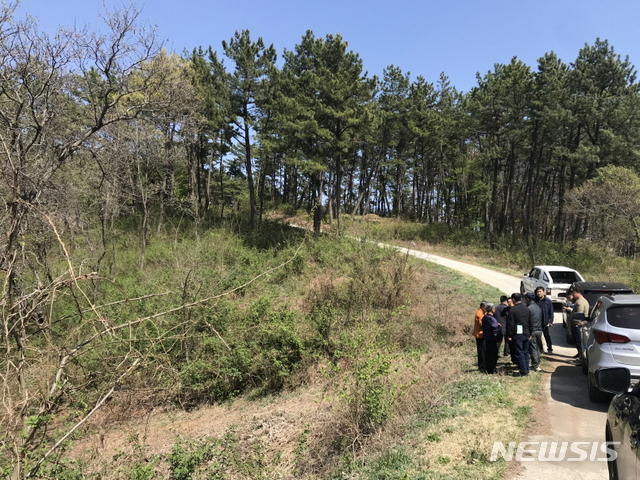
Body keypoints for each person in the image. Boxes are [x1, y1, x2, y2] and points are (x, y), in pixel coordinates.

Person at [506, 293, 534, 376]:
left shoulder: (512, 310)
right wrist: (530, 333)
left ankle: (523, 370)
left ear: (514, 300)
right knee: (525, 352)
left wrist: (509, 335)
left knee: (519, 352)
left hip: (517, 334)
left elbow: (510, 324)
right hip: (526, 333)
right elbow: (530, 322)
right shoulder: (527, 309)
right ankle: (526, 368)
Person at [563, 286, 589, 358]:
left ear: (578, 293)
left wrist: (576, 323)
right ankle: (579, 354)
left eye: (574, 293)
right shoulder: (578, 301)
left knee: (579, 341)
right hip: (578, 325)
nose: (573, 294)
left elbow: (578, 315)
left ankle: (581, 357)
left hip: (578, 325)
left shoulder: (580, 302)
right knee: (577, 341)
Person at [524, 292, 543, 372]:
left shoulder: (529, 308)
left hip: (533, 330)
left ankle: (535, 365)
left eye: (525, 298)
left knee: (533, 348)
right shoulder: (538, 307)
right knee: (537, 347)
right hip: (539, 329)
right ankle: (537, 363)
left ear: (528, 299)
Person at [482, 303, 502, 374]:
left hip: (486, 338)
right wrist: (497, 339)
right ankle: (492, 369)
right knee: (493, 355)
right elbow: (494, 330)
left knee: (487, 354)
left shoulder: (485, 317)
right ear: (492, 309)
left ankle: (487, 368)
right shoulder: (492, 319)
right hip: (492, 339)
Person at [535, 286, 554, 353]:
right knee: (538, 336)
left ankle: (550, 348)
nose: (538, 293)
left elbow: (551, 312)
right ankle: (540, 348)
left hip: (545, 322)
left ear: (543, 292)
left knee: (546, 335)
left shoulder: (548, 301)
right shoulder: (535, 300)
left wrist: (550, 321)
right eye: (537, 292)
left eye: (540, 292)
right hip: (537, 322)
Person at [473, 300, 488, 373]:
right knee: (481, 351)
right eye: (486, 307)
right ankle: (482, 366)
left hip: (481, 334)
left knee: (483, 350)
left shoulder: (482, 312)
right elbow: (482, 324)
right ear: (482, 307)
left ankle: (482, 365)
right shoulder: (479, 314)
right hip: (480, 335)